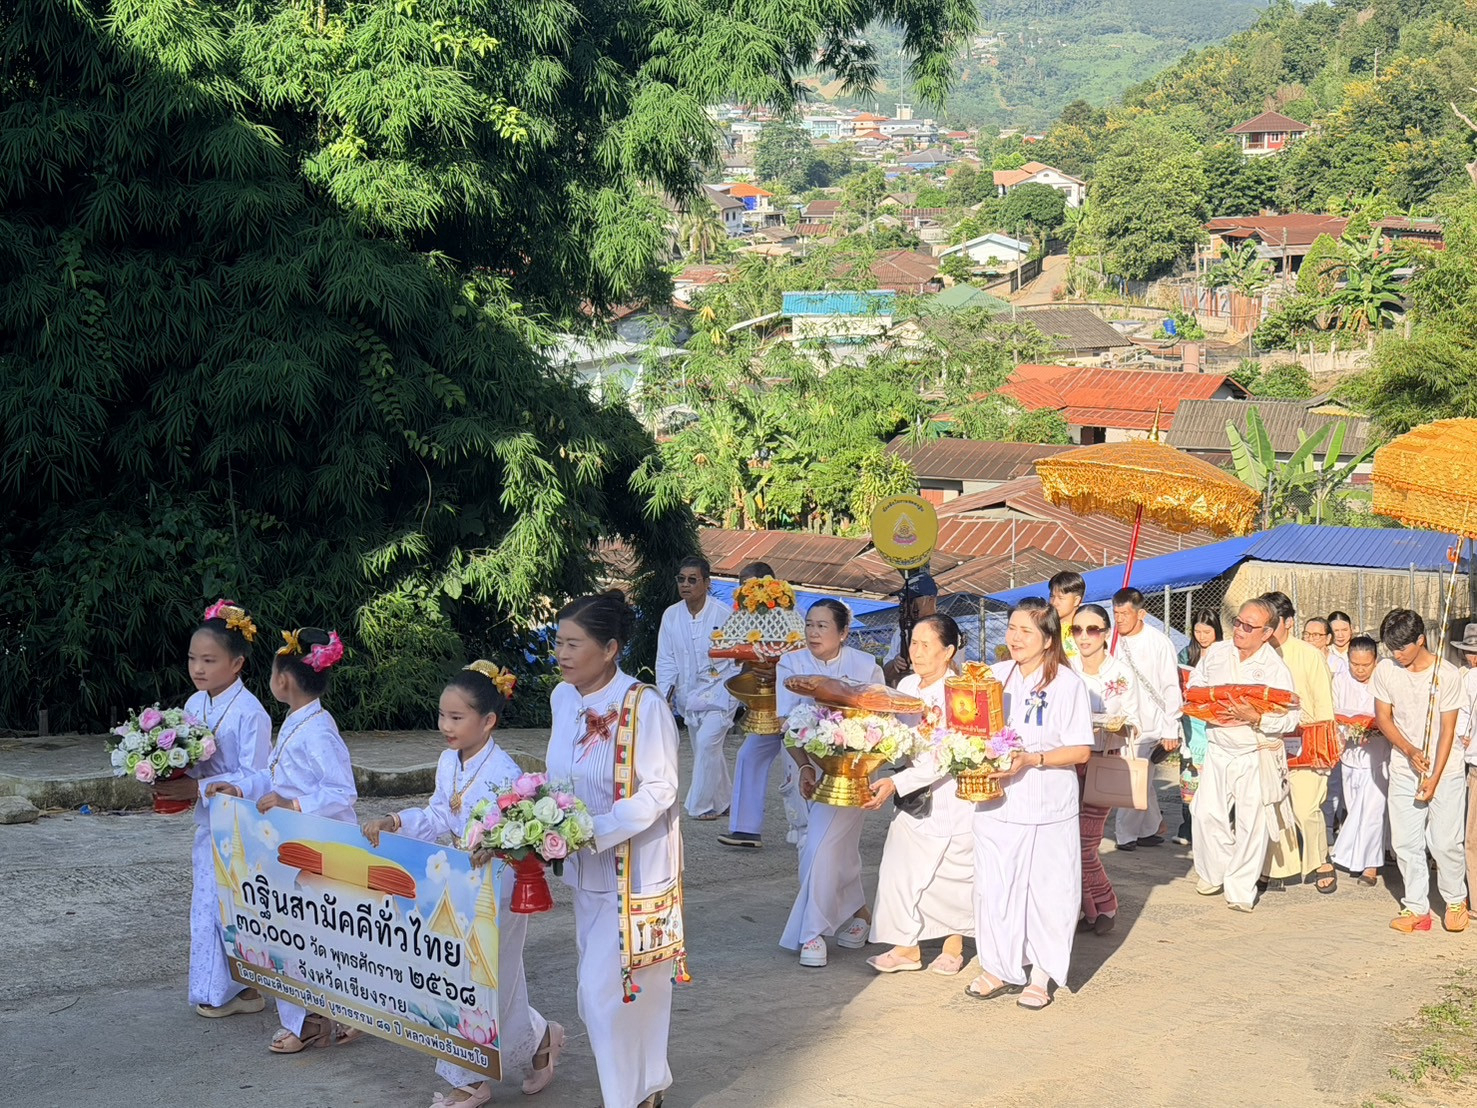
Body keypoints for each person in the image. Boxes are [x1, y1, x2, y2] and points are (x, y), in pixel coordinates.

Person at [361, 663, 560, 1108]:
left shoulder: (506, 772)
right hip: (456, 881)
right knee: (473, 978)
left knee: (483, 979)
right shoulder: (448, 761)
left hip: (499, 888)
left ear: (488, 721)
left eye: (457, 718)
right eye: (442, 716)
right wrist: (395, 821)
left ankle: (468, 1078)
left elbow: (520, 836)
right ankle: (541, 1038)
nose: (445, 727)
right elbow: (437, 815)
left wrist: (496, 845)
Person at [543, 591, 681, 1108]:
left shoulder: (644, 705)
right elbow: (560, 775)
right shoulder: (562, 698)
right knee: (601, 994)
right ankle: (649, 1084)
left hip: (635, 871)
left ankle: (627, 1098)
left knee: (610, 995)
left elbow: (661, 788)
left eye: (574, 644)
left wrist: (596, 828)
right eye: (559, 642)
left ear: (611, 649)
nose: (562, 653)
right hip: (582, 870)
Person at [207, 624, 358, 1053]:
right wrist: (242, 789)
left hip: (320, 846)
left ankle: (313, 1019)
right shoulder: (298, 720)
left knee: (309, 936)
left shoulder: (318, 729)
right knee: (300, 935)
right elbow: (277, 779)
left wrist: (294, 806)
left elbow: (342, 790)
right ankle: (320, 1014)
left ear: (283, 679)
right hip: (295, 844)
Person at [965, 598, 1092, 1010]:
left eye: (1026, 631)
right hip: (997, 803)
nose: (1015, 638)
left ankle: (1041, 974)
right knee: (995, 887)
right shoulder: (994, 676)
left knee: (1047, 891)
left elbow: (1079, 751)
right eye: (1012, 628)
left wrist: (1031, 759)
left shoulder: (1067, 685)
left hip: (1047, 803)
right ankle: (999, 967)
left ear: (1049, 638)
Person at [166, 600, 272, 1018]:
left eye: (210, 660)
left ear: (237, 664)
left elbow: (261, 775)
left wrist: (202, 785)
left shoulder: (252, 713)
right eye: (193, 658)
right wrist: (168, 774)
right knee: (207, 902)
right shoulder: (195, 705)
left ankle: (224, 989)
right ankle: (238, 987)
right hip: (207, 818)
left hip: (239, 823)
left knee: (227, 904)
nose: (199, 668)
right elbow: (190, 757)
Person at [863, 614, 974, 975]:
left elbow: (950, 754)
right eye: (914, 643)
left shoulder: (962, 690)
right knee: (899, 867)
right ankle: (906, 947)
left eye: (927, 645)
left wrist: (898, 782)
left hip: (951, 795)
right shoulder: (908, 684)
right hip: (913, 794)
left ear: (949, 651)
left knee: (952, 873)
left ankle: (953, 944)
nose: (917, 652)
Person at [778, 599, 886, 967]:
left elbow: (881, 721)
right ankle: (859, 913)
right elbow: (787, 724)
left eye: (822, 626)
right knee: (826, 844)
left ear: (843, 632)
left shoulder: (865, 665)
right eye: (809, 624)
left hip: (855, 771)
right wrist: (805, 767)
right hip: (805, 764)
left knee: (820, 846)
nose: (813, 632)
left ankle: (811, 932)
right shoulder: (790, 663)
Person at [1188, 598, 1300, 912]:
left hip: (1254, 751)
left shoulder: (1274, 668)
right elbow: (1197, 682)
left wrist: (1256, 717)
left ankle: (1240, 889)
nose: (1239, 630)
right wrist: (1211, 704)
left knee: (1253, 823)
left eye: (1249, 627)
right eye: (1238, 622)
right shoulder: (1218, 652)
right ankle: (1216, 871)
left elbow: (1292, 717)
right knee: (1205, 812)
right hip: (1218, 747)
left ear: (1266, 633)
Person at [1371, 609, 1468, 933]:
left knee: (1443, 842)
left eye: (1402, 648)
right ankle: (1417, 908)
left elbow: (1448, 730)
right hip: (1403, 766)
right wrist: (1409, 750)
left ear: (1420, 640)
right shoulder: (1386, 670)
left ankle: (1455, 900)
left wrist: (1435, 777)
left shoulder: (1448, 674)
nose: (1396, 655)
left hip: (1446, 769)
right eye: (1391, 648)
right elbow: (1383, 717)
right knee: (1405, 843)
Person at [721, 561, 809, 850]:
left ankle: (806, 827)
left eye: (750, 586)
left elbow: (805, 662)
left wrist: (777, 672)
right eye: (741, 587)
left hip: (797, 707)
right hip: (766, 706)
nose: (745, 592)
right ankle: (745, 830)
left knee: (795, 765)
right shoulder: (745, 619)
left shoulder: (792, 619)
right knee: (748, 755)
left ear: (767, 585)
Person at [1260, 591, 1338, 894]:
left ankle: (1321, 861)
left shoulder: (1309, 654)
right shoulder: (1259, 652)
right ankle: (1274, 867)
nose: (1266, 632)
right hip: (1269, 741)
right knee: (1274, 805)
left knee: (1306, 807)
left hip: (1307, 740)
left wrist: (1324, 750)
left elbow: (1324, 705)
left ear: (1288, 622)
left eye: (1272, 625)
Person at [1068, 603, 1138, 936]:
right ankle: (1087, 907)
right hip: (1068, 764)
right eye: (1077, 630)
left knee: (1086, 842)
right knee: (1068, 841)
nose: (1084, 636)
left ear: (1106, 633)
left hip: (1104, 761)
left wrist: (1114, 726)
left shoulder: (1121, 674)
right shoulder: (1066, 671)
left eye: (1092, 629)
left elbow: (1137, 723)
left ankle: (1105, 901)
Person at [655, 556, 738, 820]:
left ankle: (697, 806)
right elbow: (666, 658)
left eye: (693, 579)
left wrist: (732, 692)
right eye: (681, 579)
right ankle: (726, 801)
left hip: (721, 692)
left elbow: (737, 659)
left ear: (706, 583)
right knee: (707, 749)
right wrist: (665, 694)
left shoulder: (724, 614)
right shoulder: (671, 615)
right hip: (689, 695)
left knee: (706, 743)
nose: (686, 584)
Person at [1110, 588, 1182, 851]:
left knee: (1135, 779)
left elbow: (1170, 686)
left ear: (1141, 613)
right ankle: (1149, 828)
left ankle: (1126, 834)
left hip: (1152, 723)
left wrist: (1171, 727)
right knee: (1142, 776)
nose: (1119, 620)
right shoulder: (1112, 641)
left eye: (1125, 614)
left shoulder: (1159, 642)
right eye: (1116, 613)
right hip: (1124, 723)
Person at [1329, 637, 1388, 887]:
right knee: (1354, 808)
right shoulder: (1340, 680)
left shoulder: (1384, 681)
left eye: (1365, 665)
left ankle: (1371, 865)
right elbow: (1333, 712)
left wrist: (1373, 728)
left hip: (1377, 755)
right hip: (1350, 754)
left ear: (1375, 661)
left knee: (1373, 811)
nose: (1360, 670)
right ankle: (1355, 857)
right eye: (1355, 664)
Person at [1174, 611, 1222, 846]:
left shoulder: (1224, 654)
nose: (1202, 637)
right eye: (1197, 631)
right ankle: (1188, 827)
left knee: (1213, 781)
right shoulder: (1186, 653)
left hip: (1213, 723)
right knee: (1189, 779)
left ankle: (1211, 830)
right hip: (1190, 724)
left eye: (1207, 632)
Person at [1453, 624, 1477, 902]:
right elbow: (1463, 715)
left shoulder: (1470, 678)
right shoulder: (1469, 678)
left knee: (1473, 837)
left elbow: (1463, 714)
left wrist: (1464, 737)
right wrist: (1464, 737)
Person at [882, 570, 939, 686]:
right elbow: (885, 672)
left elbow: (954, 672)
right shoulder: (902, 630)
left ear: (930, 600)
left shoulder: (946, 629)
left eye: (912, 600)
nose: (906, 605)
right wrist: (895, 663)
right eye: (903, 601)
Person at [1050, 570, 1087, 663]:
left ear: (1076, 600)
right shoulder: (1046, 629)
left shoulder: (1086, 632)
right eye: (1052, 597)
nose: (1054, 603)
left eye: (1061, 598)